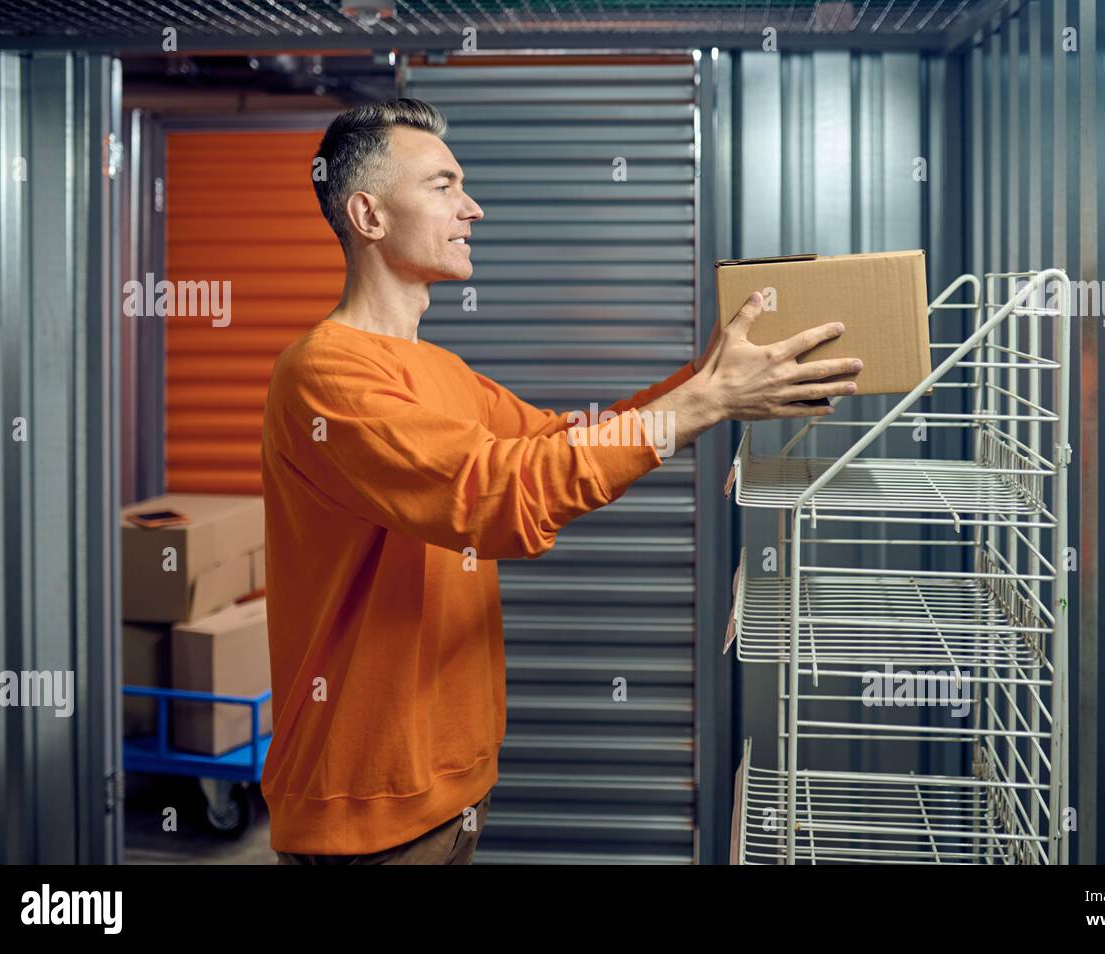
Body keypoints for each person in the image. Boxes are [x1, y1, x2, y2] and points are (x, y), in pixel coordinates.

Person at [260, 99, 863, 864]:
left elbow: (561, 444)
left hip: (455, 790)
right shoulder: (323, 373)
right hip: (366, 810)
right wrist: (700, 403)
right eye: (444, 186)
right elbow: (497, 495)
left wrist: (708, 376)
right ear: (368, 215)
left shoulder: (439, 371)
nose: (471, 207)